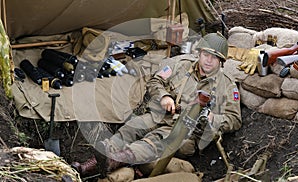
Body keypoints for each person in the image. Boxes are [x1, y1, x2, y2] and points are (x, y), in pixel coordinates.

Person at [71, 32, 242, 177]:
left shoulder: (227, 85)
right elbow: (156, 81)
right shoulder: (181, 64)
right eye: (206, 55)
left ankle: (115, 159)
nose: (208, 61)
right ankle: (87, 166)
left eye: (214, 58)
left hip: (185, 132)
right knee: (131, 128)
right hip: (160, 116)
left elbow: (234, 119)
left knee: (153, 142)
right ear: (199, 53)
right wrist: (164, 96)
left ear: (221, 61)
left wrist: (213, 118)